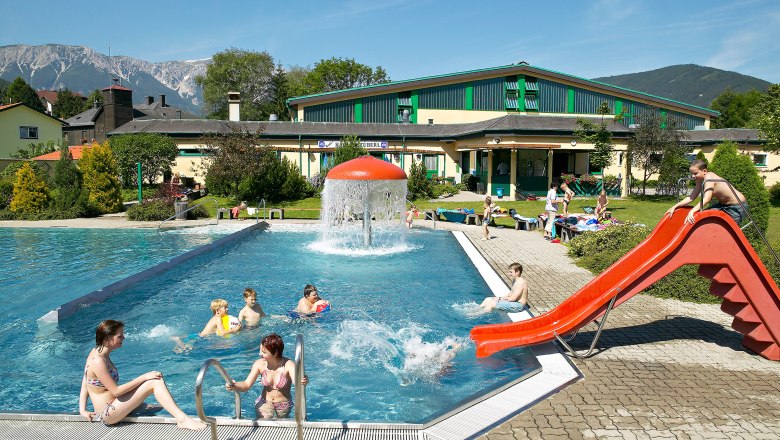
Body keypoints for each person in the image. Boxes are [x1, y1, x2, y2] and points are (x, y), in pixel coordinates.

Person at [79, 320, 206, 430]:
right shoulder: (98, 361)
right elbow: (116, 391)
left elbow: (85, 381)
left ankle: (181, 416)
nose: (124, 338)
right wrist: (144, 377)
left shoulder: (96, 351)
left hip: (116, 404)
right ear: (107, 339)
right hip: (108, 413)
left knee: (157, 407)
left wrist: (82, 409)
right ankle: (182, 420)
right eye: (119, 336)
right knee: (154, 382)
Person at [226, 333, 308, 419]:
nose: (259, 354)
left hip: (283, 405)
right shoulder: (259, 364)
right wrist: (233, 385)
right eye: (260, 350)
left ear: (275, 353)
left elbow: (297, 382)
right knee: (265, 422)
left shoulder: (288, 365)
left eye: (264, 352)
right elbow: (246, 385)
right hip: (264, 402)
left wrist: (304, 381)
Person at [666, 159, 748, 225]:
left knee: (725, 229)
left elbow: (707, 198)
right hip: (723, 205)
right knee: (705, 218)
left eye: (695, 173)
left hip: (737, 206)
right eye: (691, 174)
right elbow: (691, 198)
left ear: (704, 171)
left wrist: (692, 211)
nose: (693, 176)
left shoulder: (709, 177)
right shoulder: (700, 180)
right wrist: (675, 206)